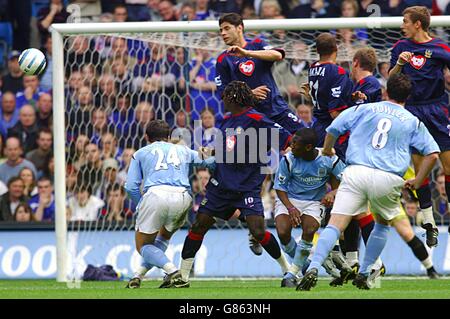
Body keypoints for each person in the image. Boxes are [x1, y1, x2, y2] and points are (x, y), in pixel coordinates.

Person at [297, 74, 440, 291]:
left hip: (356, 172)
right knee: (382, 224)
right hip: (388, 178)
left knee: (336, 223)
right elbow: (433, 155)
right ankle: (364, 272)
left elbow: (333, 128)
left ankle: (313, 267)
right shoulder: (412, 120)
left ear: (385, 91)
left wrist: (327, 149)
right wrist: (418, 180)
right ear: (407, 97)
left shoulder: (365, 109)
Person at [173, 81, 292, 289]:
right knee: (199, 224)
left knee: (258, 230)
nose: (222, 99)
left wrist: (287, 153)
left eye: (226, 96)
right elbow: (225, 149)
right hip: (220, 185)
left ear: (233, 98)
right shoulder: (227, 121)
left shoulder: (257, 119)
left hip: (247, 186)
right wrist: (210, 152)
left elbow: (286, 139)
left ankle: (288, 271)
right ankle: (182, 277)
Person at [124, 120, 215, 289]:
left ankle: (173, 272)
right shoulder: (183, 150)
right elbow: (209, 162)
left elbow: (130, 186)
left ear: (146, 137)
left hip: (156, 195)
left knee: (143, 245)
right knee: (163, 237)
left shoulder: (141, 153)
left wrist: (140, 204)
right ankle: (138, 275)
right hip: (183, 196)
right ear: (168, 137)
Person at [389, 6, 450, 248]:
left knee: (447, 165)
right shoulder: (399, 48)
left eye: (405, 21)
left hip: (437, 109)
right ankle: (429, 223)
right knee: (419, 169)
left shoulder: (440, 48)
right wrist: (400, 66)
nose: (402, 25)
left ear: (417, 24)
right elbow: (392, 79)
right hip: (412, 111)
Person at [274, 128, 349, 287]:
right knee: (282, 232)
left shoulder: (328, 159)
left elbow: (348, 179)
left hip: (314, 202)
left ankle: (292, 273)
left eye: (295, 143)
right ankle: (305, 264)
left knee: (309, 230)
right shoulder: (288, 159)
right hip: (289, 199)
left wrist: (334, 192)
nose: (291, 146)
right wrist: (290, 207)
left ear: (308, 147)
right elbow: (280, 187)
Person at [215, 13, 303, 134]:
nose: (223, 33)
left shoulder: (257, 44)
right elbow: (224, 94)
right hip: (251, 117)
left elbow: (277, 55)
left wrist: (246, 53)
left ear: (239, 28)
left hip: (276, 109)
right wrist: (249, 94)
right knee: (250, 151)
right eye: (221, 30)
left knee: (306, 136)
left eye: (227, 28)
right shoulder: (223, 59)